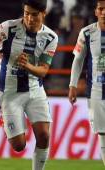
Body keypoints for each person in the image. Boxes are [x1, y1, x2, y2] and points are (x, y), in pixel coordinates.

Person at [0, 0, 58, 170]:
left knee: (44, 135)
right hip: (9, 92)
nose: (29, 18)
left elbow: (43, 71)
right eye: (26, 13)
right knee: (19, 146)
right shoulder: (8, 27)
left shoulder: (51, 37)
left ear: (44, 13)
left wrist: (27, 66)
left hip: (35, 90)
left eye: (34, 14)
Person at [69, 0, 105, 166]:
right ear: (96, 11)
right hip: (96, 90)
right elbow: (78, 60)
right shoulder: (87, 32)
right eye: (101, 9)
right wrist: (72, 85)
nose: (104, 12)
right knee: (103, 134)